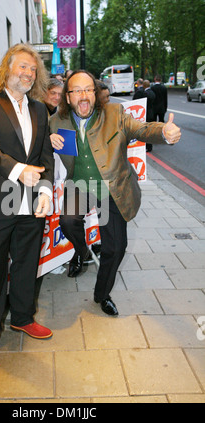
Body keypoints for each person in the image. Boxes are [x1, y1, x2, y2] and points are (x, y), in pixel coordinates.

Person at [49, 70, 181, 317]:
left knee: (116, 247)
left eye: (88, 89)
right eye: (76, 90)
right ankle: (82, 251)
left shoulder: (114, 114)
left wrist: (163, 132)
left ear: (95, 93)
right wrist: (50, 140)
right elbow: (43, 146)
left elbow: (141, 129)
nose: (83, 95)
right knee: (67, 222)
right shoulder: (57, 121)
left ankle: (102, 294)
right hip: (78, 184)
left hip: (111, 187)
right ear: (68, 97)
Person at [0, 43, 54, 370]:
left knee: (27, 263)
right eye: (23, 67)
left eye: (33, 69)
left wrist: (45, 191)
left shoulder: (41, 110)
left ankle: (22, 317)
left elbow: (44, 157)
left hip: (30, 202)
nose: (29, 74)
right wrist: (18, 170)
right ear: (7, 67)